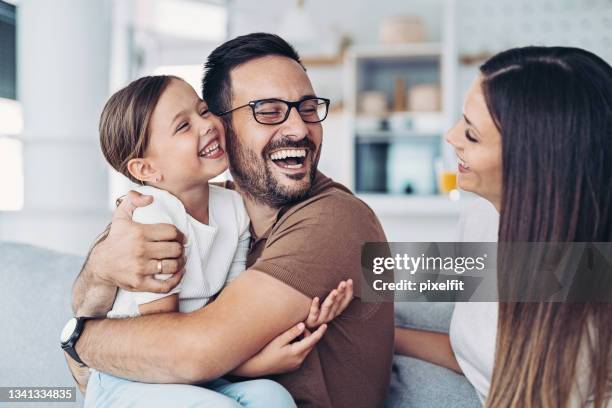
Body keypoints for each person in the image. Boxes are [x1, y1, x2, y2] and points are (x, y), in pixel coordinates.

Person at [66, 33, 394, 408]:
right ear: (224, 127)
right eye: (268, 111)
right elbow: (95, 298)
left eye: (307, 108)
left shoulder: (335, 219)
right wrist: (100, 269)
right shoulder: (178, 204)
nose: (300, 129)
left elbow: (188, 352)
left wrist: (78, 339)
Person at [395, 46, 612, 407]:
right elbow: (475, 353)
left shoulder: (590, 294)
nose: (451, 137)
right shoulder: (480, 216)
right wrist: (378, 335)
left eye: (472, 134)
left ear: (533, 163)